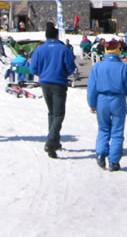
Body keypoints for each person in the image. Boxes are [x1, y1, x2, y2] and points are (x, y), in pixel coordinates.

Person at [87, 39, 127, 171]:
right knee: (117, 131)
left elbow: (91, 88)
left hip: (101, 100)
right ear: (118, 51)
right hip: (118, 100)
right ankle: (114, 161)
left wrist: (92, 104)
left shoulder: (97, 67)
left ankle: (100, 153)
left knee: (103, 128)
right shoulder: (124, 68)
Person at [29, 21, 77, 158]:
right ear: (57, 35)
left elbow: (33, 69)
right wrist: (63, 72)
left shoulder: (39, 50)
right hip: (59, 83)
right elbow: (71, 67)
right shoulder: (63, 49)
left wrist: (43, 73)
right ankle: (50, 142)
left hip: (45, 83)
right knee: (59, 114)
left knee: (51, 112)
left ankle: (55, 142)